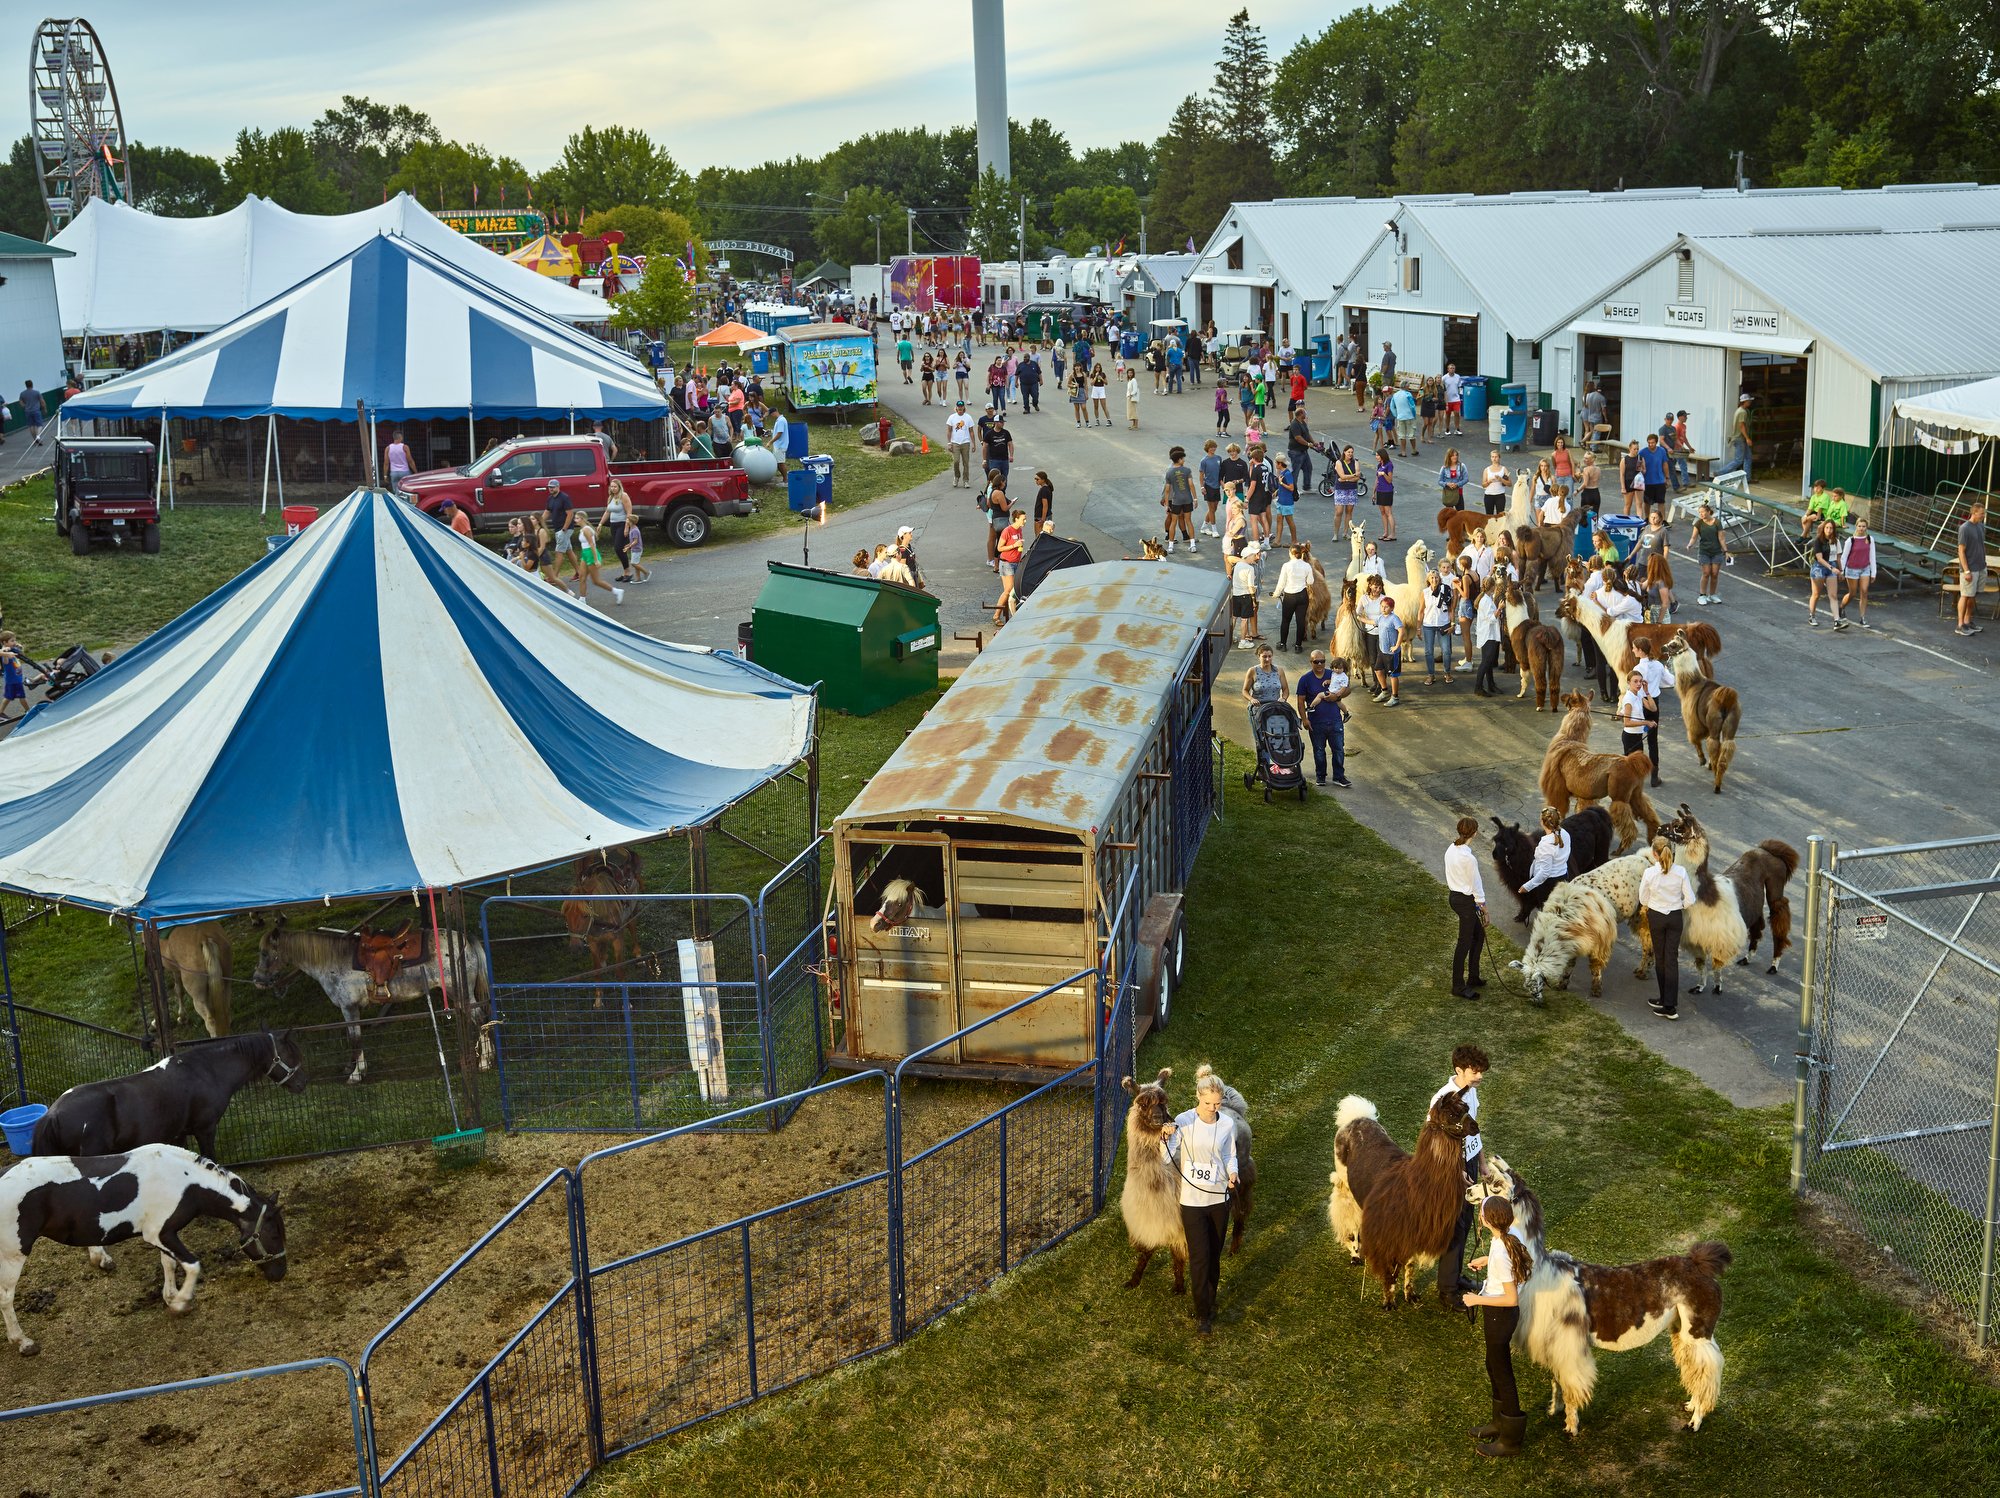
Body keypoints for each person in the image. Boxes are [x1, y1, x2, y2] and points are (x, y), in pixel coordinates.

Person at [1164, 1068, 1241, 1335]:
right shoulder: (1183, 1121)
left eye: (1217, 1103)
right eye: (1208, 1103)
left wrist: (1233, 1173)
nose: (1212, 1108)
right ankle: (1202, 1313)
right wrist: (1166, 1137)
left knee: (1214, 1257)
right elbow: (1166, 1157)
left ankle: (1209, 1298)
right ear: (1198, 1097)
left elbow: (1230, 1156)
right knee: (1199, 1257)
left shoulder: (1227, 1124)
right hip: (1192, 1202)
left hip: (1219, 1199)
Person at [1464, 1192, 1533, 1458]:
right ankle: (1498, 1423)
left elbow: (1510, 1298)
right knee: (1492, 1365)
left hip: (1500, 1316)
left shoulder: (1502, 1251)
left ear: (1484, 1219)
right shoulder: (1503, 1237)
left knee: (1502, 1372)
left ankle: (1510, 1440)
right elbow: (1503, 1265)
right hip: (1496, 1315)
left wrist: (1475, 1300)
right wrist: (1487, 1262)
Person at [1641, 836, 1697, 1019]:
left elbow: (1643, 899)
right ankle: (1666, 1001)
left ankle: (1669, 1006)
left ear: (1654, 854)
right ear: (1671, 852)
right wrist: (1677, 905)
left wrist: (1656, 904)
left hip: (1656, 917)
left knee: (1661, 957)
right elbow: (1690, 900)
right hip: (1674, 918)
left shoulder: (1649, 873)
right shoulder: (1680, 872)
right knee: (1671, 958)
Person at [1445, 819, 1488, 998]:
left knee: (1478, 936)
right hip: (1465, 901)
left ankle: (1473, 977)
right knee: (1464, 942)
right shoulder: (1469, 859)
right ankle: (1458, 986)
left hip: (1456, 897)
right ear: (1475, 833)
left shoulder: (1451, 848)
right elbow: (1476, 885)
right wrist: (1484, 908)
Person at [1296, 648, 1350, 787]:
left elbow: (1347, 689)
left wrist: (1337, 696)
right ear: (1311, 662)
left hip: (1335, 720)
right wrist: (1305, 719)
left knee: (1338, 749)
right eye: (1316, 662)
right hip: (1316, 721)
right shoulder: (1305, 679)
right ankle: (1321, 776)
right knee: (1319, 750)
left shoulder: (1334, 673)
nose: (1320, 664)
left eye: (1322, 661)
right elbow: (1300, 701)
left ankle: (1339, 777)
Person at [1515, 808, 1575, 898]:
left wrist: (1527, 886)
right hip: (1563, 877)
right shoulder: (1566, 834)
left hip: (1548, 884)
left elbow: (1545, 873)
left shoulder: (1546, 844)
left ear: (1542, 822)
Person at [573, 512, 623, 606]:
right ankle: (582, 599)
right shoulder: (583, 529)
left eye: (577, 518)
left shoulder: (586, 530)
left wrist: (596, 560)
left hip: (591, 554)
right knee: (582, 577)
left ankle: (617, 591)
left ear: (583, 519)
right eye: (575, 518)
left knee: (596, 581)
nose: (575, 520)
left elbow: (592, 545)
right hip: (585, 554)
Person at [1805, 518, 1847, 629]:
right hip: (1820, 568)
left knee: (1833, 595)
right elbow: (1819, 558)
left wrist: (1841, 571)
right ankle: (1812, 615)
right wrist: (1832, 568)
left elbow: (1838, 557)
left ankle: (1837, 620)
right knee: (1816, 594)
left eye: (1831, 528)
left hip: (1832, 566)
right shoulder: (1818, 541)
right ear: (1823, 529)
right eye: (1827, 528)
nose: (1829, 530)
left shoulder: (1836, 541)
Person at [1272, 542, 1314, 651]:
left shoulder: (1286, 566)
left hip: (1290, 596)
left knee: (1286, 620)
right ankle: (1298, 645)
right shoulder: (1306, 565)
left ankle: (1283, 644)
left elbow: (1281, 582)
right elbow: (1310, 581)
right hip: (1302, 595)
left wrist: (1276, 593)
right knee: (1300, 621)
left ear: (1291, 553)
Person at [1957, 499, 1988, 638]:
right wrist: (1966, 570)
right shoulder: (1964, 528)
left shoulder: (1981, 526)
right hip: (1970, 567)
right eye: (1981, 513)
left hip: (1980, 566)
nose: (1983, 515)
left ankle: (1968, 621)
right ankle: (1960, 624)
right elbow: (1961, 551)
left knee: (1973, 595)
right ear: (1974, 513)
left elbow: (1981, 545)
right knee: (1965, 595)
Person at [1241, 641, 1286, 735]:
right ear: (1259, 656)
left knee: (1278, 733)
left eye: (1269, 656)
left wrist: (1283, 698)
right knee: (1263, 735)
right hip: (1259, 708)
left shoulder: (1279, 670)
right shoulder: (1253, 671)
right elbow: (1245, 691)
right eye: (1264, 656)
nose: (1267, 659)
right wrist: (1252, 699)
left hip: (1275, 707)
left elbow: (1285, 689)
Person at [1841, 515, 1878, 629]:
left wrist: (1873, 573)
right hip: (1852, 569)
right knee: (1852, 593)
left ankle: (1862, 617)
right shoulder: (1850, 540)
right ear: (1856, 527)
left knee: (1864, 591)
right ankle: (1841, 607)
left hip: (1865, 569)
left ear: (1866, 527)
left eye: (1864, 526)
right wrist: (1842, 571)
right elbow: (1844, 557)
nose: (1861, 528)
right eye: (1859, 526)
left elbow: (1872, 556)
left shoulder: (1870, 539)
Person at [1420, 567, 1456, 685]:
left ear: (1439, 579)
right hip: (1428, 624)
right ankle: (1431, 674)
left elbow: (1451, 609)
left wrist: (1453, 623)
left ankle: (1447, 672)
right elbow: (1421, 610)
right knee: (1428, 651)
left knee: (1446, 651)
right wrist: (1418, 627)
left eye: (1436, 578)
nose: (1434, 580)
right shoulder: (1425, 592)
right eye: (1432, 578)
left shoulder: (1445, 590)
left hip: (1443, 623)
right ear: (1428, 580)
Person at [1692, 501, 1729, 606]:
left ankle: (1712, 594)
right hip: (1704, 551)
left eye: (1703, 512)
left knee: (1715, 574)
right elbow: (1694, 537)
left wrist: (1726, 551)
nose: (1701, 514)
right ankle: (1702, 595)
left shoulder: (1717, 522)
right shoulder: (1698, 523)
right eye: (1700, 513)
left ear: (1708, 512)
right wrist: (1690, 544)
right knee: (1706, 573)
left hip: (1716, 552)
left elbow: (1721, 538)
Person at [1471, 576, 1503, 697]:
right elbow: (1491, 619)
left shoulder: (1487, 598)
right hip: (1488, 635)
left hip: (1490, 634)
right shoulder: (1486, 601)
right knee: (1486, 662)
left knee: (1488, 662)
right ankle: (1478, 687)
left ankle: (1491, 684)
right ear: (1493, 587)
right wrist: (1499, 609)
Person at [1161, 447, 1197, 554]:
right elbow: (1191, 485)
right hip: (1187, 499)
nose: (1184, 460)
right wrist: (1195, 498)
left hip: (1176, 500)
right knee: (1188, 521)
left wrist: (1167, 504)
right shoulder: (1187, 470)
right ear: (1179, 459)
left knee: (1173, 521)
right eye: (1183, 459)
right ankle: (1192, 544)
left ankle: (1171, 546)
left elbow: (1167, 490)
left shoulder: (1169, 472)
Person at [994, 509, 1025, 625]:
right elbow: (999, 548)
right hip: (1006, 563)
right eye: (1023, 519)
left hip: (1016, 562)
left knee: (1014, 590)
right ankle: (996, 615)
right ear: (1016, 519)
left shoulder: (1019, 530)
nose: (1025, 521)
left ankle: (1009, 613)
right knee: (1008, 590)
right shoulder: (1007, 530)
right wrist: (1014, 545)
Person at [1373, 592, 1404, 706]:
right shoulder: (1381, 617)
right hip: (1382, 650)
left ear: (1392, 608)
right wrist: (1359, 618)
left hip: (1392, 652)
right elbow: (1372, 622)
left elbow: (1401, 630)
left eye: (1386, 607)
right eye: (1382, 606)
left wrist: (1396, 645)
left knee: (1393, 675)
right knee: (1378, 669)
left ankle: (1395, 697)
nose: (1383, 608)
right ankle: (1384, 691)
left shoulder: (1394, 618)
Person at [1230, 542, 1262, 649]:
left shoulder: (1237, 565)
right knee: (1244, 619)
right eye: (1253, 556)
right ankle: (1243, 641)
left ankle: (1229, 638)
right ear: (1248, 556)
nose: (1255, 558)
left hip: (1236, 595)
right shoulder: (1250, 568)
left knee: (1234, 617)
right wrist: (1253, 600)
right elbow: (1250, 586)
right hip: (1246, 596)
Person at [1332, 445, 1360, 540]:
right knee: (1339, 511)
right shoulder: (1339, 462)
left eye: (1352, 452)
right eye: (1348, 452)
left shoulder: (1355, 462)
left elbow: (1356, 477)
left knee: (1349, 511)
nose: (1350, 454)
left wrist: (1347, 479)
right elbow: (1342, 476)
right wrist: (1353, 475)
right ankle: (1335, 533)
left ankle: (1345, 532)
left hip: (1352, 489)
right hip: (1341, 489)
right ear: (1344, 452)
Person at [1198, 439, 1224, 539]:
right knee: (1211, 509)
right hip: (1208, 486)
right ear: (1207, 449)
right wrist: (1202, 487)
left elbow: (1220, 473)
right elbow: (1201, 475)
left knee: (1215, 508)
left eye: (1214, 446)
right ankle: (1214, 529)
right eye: (1211, 447)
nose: (1213, 448)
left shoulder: (1218, 458)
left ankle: (1204, 526)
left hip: (1216, 486)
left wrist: (1222, 483)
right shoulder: (1204, 460)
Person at [946, 400, 975, 488]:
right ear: (956, 408)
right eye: (959, 407)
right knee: (956, 461)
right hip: (955, 442)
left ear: (964, 408)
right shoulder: (952, 417)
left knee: (966, 462)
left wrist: (974, 444)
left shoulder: (968, 417)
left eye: (961, 407)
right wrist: (949, 443)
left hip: (965, 442)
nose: (960, 409)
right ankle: (956, 476)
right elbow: (949, 430)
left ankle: (966, 480)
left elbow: (971, 431)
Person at [1271, 455, 1299, 546]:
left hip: (1286, 502)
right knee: (1279, 520)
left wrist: (1281, 483)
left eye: (1276, 463)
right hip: (1281, 501)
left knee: (1290, 521)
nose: (1275, 464)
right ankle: (1277, 541)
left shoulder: (1287, 474)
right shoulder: (1283, 473)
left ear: (1280, 464)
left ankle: (1294, 541)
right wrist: (1277, 491)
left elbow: (1291, 488)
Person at [1286, 405, 1315, 494]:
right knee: (1295, 471)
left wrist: (1314, 443)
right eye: (1304, 412)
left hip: (1303, 451)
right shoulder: (1294, 424)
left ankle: (1306, 487)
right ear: (1300, 414)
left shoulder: (1302, 422)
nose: (1306, 414)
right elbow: (1298, 437)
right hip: (1296, 451)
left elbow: (1307, 433)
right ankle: (1293, 489)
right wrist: (1308, 444)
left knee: (1308, 468)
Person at [0, 633, 28, 722]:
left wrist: (20, 647)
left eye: (14, 640)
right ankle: (28, 710)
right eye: (12, 641)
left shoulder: (12, 650)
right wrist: (5, 653)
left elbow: (22, 653)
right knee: (21, 696)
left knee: (8, 697)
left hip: (15, 679)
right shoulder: (5, 654)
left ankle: (0, 713)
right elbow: (5, 660)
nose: (14, 642)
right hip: (13, 680)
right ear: (4, 642)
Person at [1390, 381, 1419, 457]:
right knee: (1411, 434)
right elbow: (1412, 406)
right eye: (1408, 386)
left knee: (1402, 435)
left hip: (1400, 417)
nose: (1409, 387)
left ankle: (1403, 452)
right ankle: (1414, 450)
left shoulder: (1395, 395)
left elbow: (1392, 406)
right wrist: (1414, 415)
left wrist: (1396, 415)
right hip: (1409, 416)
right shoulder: (1408, 394)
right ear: (1405, 386)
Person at [1374, 449, 1398, 542]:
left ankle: (1393, 534)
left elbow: (1389, 480)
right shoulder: (1379, 465)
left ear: (1382, 456)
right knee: (1382, 512)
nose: (1376, 457)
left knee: (1388, 512)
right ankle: (1385, 532)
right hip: (1380, 490)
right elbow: (1377, 479)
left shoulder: (1389, 465)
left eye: (1377, 455)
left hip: (1387, 491)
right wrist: (1374, 492)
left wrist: (1383, 474)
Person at [1730, 393, 1754, 484]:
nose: (1750, 402)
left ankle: (1747, 478)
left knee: (1748, 458)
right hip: (1740, 438)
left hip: (1739, 437)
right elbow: (1741, 426)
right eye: (1749, 401)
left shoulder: (1739, 410)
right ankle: (1720, 473)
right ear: (1745, 402)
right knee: (1738, 460)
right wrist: (1747, 438)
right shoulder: (1742, 412)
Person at [1480, 451, 1510, 519]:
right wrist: (1489, 481)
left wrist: (1501, 479)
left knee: (1500, 516)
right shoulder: (1486, 470)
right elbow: (1483, 485)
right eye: (1492, 457)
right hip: (1489, 495)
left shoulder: (1503, 469)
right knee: (1489, 516)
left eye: (1496, 457)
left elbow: (1509, 484)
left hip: (1500, 495)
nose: (1494, 458)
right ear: (1490, 458)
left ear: (1499, 458)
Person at [1442, 363, 1464, 434]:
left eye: (1453, 368)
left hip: (1456, 399)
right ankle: (1447, 429)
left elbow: (1460, 386)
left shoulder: (1458, 376)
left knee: (1457, 413)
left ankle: (1457, 429)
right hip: (1447, 400)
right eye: (1450, 368)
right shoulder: (1444, 378)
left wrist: (1461, 396)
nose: (1452, 369)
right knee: (1447, 415)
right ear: (1448, 369)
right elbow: (1441, 387)